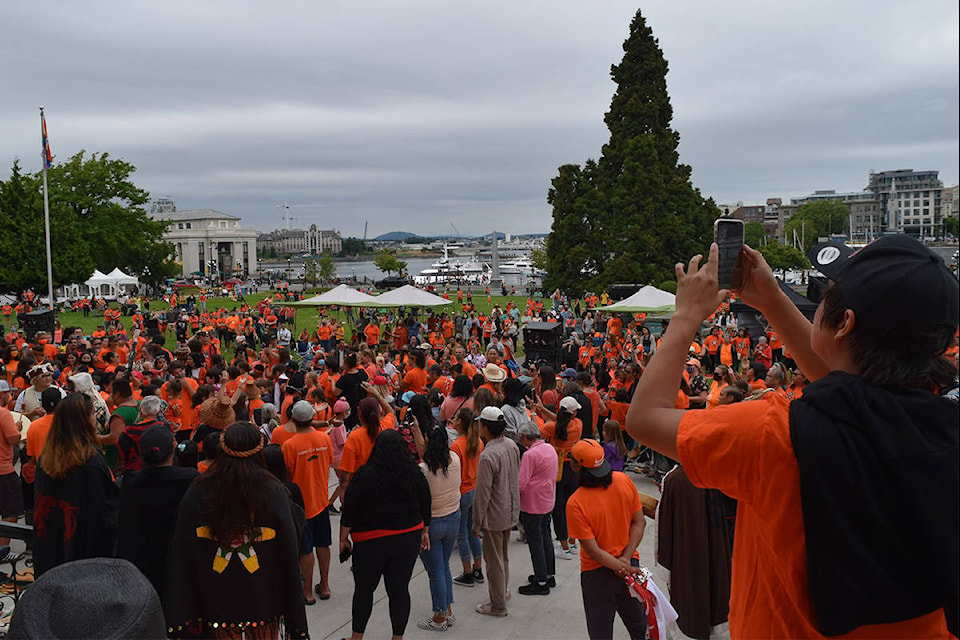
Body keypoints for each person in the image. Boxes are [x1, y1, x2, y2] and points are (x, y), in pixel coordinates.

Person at [626, 239, 958, 638]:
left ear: (845, 322)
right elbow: (854, 388)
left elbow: (644, 419)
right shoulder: (941, 419)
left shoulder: (776, 432)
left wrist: (686, 316)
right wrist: (771, 299)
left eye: (826, 296)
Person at [166, 421, 308, 639]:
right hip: (262, 594)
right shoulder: (274, 491)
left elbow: (184, 543)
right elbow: (291, 539)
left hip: (217, 594)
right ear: (258, 451)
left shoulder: (200, 489)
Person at [339, 430, 431, 640]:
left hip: (370, 542)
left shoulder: (364, 475)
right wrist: (425, 530)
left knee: (363, 591)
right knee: (399, 590)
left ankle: (357, 637)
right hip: (407, 538)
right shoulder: (414, 473)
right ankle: (397, 637)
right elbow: (426, 502)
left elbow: (350, 510)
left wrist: (343, 539)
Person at [565, 439, 647, 640]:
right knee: (641, 628)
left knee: (600, 632)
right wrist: (626, 560)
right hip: (629, 567)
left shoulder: (575, 503)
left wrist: (621, 565)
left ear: (576, 466)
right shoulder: (623, 480)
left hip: (597, 575)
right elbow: (639, 522)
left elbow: (593, 550)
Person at [33, 393, 119, 577]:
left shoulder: (46, 458)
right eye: (92, 414)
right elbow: (104, 514)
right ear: (84, 420)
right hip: (81, 560)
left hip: (49, 552)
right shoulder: (90, 462)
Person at [116, 424, 199, 601]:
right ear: (173, 448)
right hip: (176, 567)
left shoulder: (127, 484)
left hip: (138, 568)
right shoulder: (191, 480)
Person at [281, 400, 334, 604]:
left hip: (300, 504)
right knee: (323, 544)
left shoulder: (289, 445)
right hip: (321, 499)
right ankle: (325, 585)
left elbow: (286, 473)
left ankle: (307, 592)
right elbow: (328, 462)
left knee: (305, 548)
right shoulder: (324, 439)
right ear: (313, 418)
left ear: (293, 419)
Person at [471, 406, 520, 617]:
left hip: (494, 514)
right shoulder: (511, 445)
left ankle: (498, 604)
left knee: (494, 562)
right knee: (503, 556)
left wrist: (476, 522)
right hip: (510, 509)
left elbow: (482, 493)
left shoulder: (488, 455)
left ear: (485, 426)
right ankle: (503, 591)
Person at [416, 424, 461, 631]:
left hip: (432, 524)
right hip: (453, 517)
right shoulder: (455, 459)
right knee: (444, 565)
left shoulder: (424, 470)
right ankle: (447, 610)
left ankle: (439, 616)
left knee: (435, 571)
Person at [535, 395, 583, 559]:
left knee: (558, 508)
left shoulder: (552, 427)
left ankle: (564, 546)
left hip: (558, 469)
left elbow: (536, 433)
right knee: (572, 506)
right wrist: (543, 409)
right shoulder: (578, 425)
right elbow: (562, 421)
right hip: (574, 469)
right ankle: (571, 542)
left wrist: (536, 414)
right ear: (573, 414)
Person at [516, 421, 558, 596]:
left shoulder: (530, 455)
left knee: (535, 542)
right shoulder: (549, 448)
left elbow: (521, 483)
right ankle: (548, 574)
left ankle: (541, 581)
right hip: (547, 500)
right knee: (546, 537)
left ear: (525, 437)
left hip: (532, 503)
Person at [449, 407, 485, 588]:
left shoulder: (456, 446)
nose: (452, 420)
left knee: (462, 534)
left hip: (462, 491)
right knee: (473, 532)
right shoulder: (478, 442)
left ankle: (467, 572)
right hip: (475, 489)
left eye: (455, 418)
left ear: (460, 423)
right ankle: (478, 569)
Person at [0, 380, 24, 562]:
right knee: (10, 509)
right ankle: (3, 550)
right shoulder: (3, 414)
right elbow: (13, 438)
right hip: (3, 470)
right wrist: (17, 429)